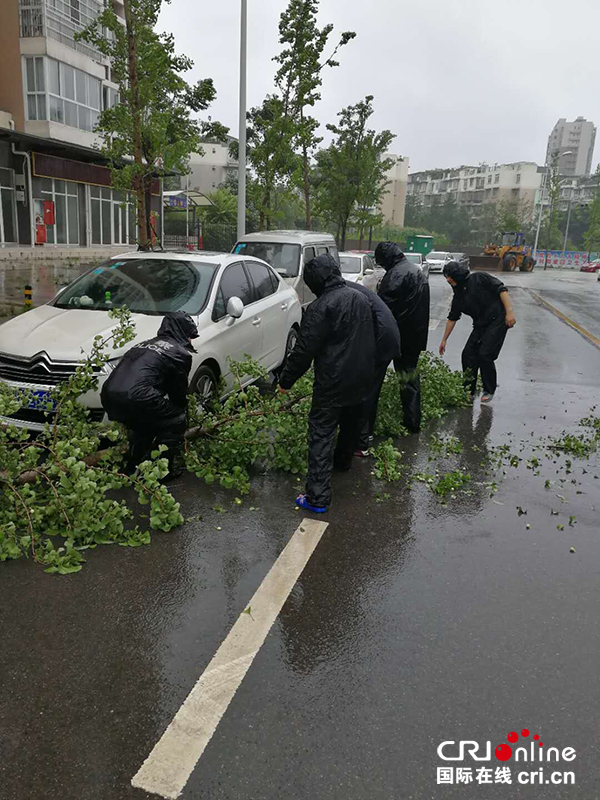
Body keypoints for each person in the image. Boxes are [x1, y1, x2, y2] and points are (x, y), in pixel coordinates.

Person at [278, 253, 375, 513]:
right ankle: (342, 463)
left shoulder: (319, 307)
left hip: (332, 382)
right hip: (362, 378)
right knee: (351, 424)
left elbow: (303, 351)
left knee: (321, 435)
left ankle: (317, 498)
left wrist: (285, 381)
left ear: (315, 282)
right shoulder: (360, 298)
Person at [101, 311, 199, 478]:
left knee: (143, 423)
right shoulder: (179, 353)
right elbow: (178, 393)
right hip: (138, 397)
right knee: (176, 419)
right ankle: (164, 469)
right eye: (190, 336)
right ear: (183, 332)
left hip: (109, 395)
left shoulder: (143, 344)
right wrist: (184, 418)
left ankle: (132, 466)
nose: (190, 340)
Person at [438, 261, 516, 402]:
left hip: (497, 319)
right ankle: (469, 391)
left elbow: (501, 289)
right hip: (480, 325)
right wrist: (444, 339)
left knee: (484, 354)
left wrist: (509, 312)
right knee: (467, 354)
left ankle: (489, 389)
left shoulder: (479, 278)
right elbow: (452, 318)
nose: (447, 280)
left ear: (458, 275)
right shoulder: (458, 296)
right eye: (446, 277)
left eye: (449, 276)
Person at [375, 241, 430, 433]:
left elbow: (382, 310)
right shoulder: (417, 271)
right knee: (409, 378)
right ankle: (413, 421)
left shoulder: (394, 275)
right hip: (414, 338)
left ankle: (364, 427)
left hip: (394, 337)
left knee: (373, 379)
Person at [344, 279, 401, 455]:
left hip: (381, 340)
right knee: (371, 390)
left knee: (363, 392)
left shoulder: (344, 294)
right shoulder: (348, 288)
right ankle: (366, 435)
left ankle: (360, 444)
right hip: (387, 337)